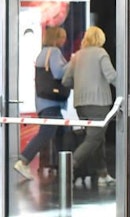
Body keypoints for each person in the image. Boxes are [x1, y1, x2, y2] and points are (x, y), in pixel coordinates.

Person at [62, 25, 118, 185]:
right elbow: (111, 76)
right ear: (100, 38)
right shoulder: (101, 53)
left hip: (80, 104)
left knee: (97, 139)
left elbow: (66, 80)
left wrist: (80, 86)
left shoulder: (77, 56)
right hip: (98, 103)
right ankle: (70, 164)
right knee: (94, 138)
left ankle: (102, 174)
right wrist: (128, 92)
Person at [14, 26, 69, 181]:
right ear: (56, 38)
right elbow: (59, 73)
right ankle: (24, 160)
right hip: (51, 101)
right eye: (62, 37)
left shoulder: (42, 53)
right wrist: (72, 64)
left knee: (60, 133)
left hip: (43, 101)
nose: (64, 41)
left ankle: (62, 166)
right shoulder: (55, 52)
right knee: (47, 133)